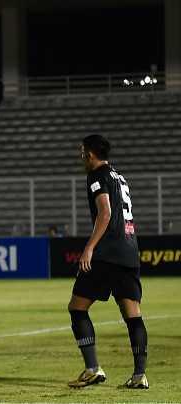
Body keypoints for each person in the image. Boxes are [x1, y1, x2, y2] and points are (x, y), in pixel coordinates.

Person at [67, 135, 148, 389]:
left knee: (77, 308)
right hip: (129, 250)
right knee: (132, 314)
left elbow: (105, 212)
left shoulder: (96, 175)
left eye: (82, 152)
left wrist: (89, 248)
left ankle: (92, 368)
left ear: (90, 154)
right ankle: (139, 375)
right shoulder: (118, 176)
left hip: (106, 253)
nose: (81, 156)